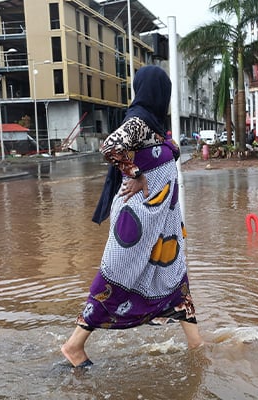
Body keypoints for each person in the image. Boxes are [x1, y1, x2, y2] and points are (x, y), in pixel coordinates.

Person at [61, 65, 204, 368]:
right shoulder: (138, 120)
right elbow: (111, 146)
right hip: (137, 220)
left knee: (175, 278)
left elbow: (170, 152)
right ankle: (74, 345)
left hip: (162, 220)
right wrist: (136, 173)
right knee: (117, 276)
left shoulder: (153, 124)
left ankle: (197, 345)